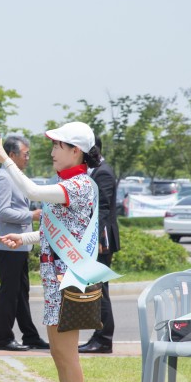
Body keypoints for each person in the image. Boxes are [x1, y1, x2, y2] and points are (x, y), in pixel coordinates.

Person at [0, 121, 101, 382]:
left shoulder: (79, 185)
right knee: (58, 352)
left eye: (58, 146)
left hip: (72, 281)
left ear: (75, 151)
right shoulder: (67, 183)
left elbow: (32, 193)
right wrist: (22, 237)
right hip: (58, 282)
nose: (52, 152)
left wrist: (5, 160)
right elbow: (51, 230)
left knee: (68, 356)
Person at [0, 134, 48, 351]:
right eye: (25, 154)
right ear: (11, 155)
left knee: (21, 292)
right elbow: (3, 212)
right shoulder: (3, 178)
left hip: (19, 244)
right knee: (10, 293)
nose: (28, 158)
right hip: (9, 244)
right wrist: (31, 215)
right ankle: (4, 338)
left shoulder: (16, 176)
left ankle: (30, 335)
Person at [80, 136, 120, 355]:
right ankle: (99, 336)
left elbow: (103, 209)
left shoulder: (102, 172)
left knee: (99, 289)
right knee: (97, 288)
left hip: (101, 240)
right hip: (98, 238)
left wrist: (99, 241)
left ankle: (103, 338)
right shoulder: (97, 170)